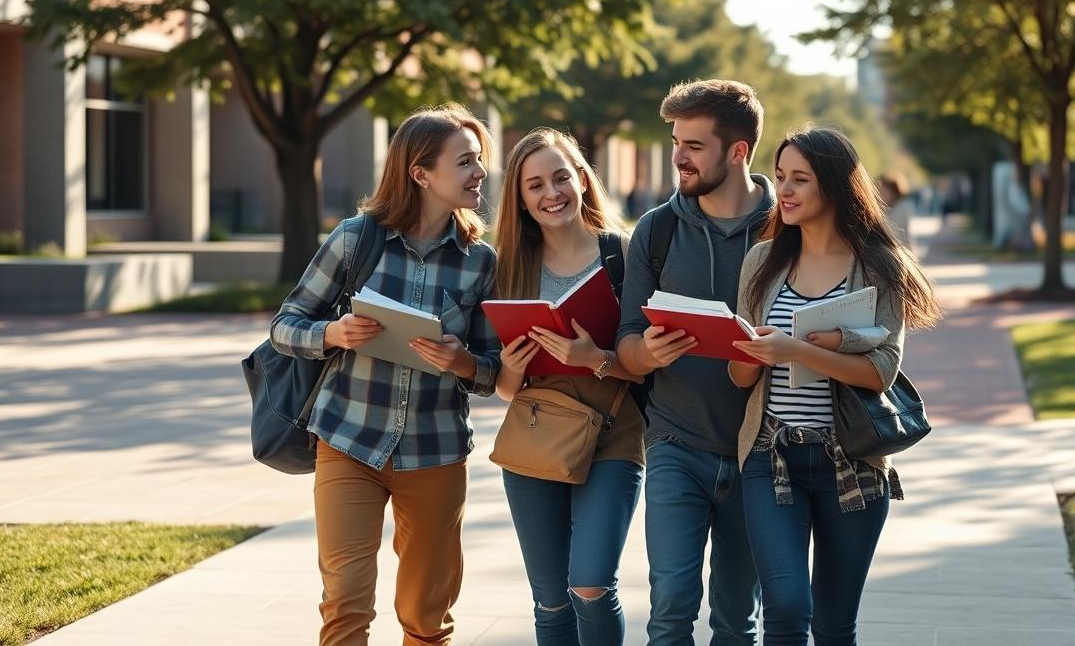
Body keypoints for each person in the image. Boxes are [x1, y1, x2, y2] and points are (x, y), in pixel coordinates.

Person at [270, 104, 501, 646]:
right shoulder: (356, 239)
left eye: (479, 160)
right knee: (346, 602)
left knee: (426, 615)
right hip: (349, 440)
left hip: (436, 451)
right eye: (465, 161)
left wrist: (461, 361)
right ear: (420, 173)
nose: (479, 173)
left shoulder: (480, 261)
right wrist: (333, 334)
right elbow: (286, 325)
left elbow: (493, 371)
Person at [728, 127, 941, 646]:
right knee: (785, 608)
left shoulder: (878, 268)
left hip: (852, 462)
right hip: (769, 456)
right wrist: (749, 351)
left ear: (835, 186)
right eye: (781, 177)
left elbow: (882, 370)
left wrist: (800, 350)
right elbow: (738, 377)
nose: (786, 190)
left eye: (800, 179)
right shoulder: (762, 260)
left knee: (833, 625)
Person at [615, 79, 773, 645]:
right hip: (675, 444)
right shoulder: (656, 229)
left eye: (694, 145)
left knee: (736, 620)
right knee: (671, 609)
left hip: (759, 452)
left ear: (738, 152)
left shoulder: (789, 229)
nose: (678, 156)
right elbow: (627, 346)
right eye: (676, 141)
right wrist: (646, 353)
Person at [491, 128, 648, 645]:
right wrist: (511, 367)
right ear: (520, 198)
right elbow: (508, 390)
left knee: (590, 585)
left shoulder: (624, 255)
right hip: (537, 434)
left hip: (615, 434)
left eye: (561, 177)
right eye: (534, 185)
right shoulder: (510, 268)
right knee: (551, 599)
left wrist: (597, 359)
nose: (550, 193)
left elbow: (652, 367)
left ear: (582, 179)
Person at [878, 171, 913, 249]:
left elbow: (890, 232)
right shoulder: (886, 207)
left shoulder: (902, 207)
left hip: (899, 251)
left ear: (894, 191)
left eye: (884, 190)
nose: (881, 193)